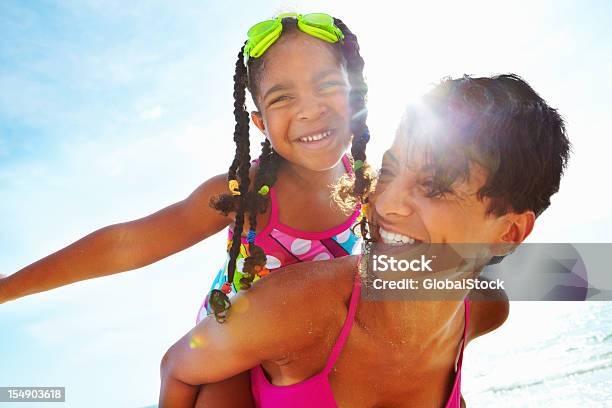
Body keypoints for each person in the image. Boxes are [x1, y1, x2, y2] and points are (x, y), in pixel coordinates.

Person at [0, 12, 374, 406]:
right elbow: (126, 243)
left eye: (327, 85)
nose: (309, 110)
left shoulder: (377, 192)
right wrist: (8, 287)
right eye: (283, 97)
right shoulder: (246, 194)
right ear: (260, 122)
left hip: (318, 341)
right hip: (235, 346)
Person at [159, 74, 571, 407]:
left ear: (508, 233)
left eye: (435, 188)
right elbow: (178, 368)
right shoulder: (297, 307)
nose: (387, 203)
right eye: (389, 172)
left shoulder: (485, 309)